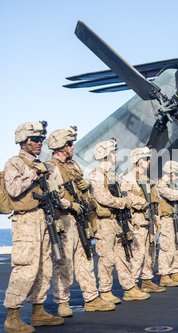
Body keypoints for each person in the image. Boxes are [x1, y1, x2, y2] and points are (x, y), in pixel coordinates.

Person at [45, 127, 115, 317]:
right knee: (64, 263)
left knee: (86, 258)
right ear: (60, 146)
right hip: (64, 219)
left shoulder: (74, 166)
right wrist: (69, 204)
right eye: (69, 144)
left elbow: (82, 190)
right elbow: (51, 196)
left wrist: (86, 186)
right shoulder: (51, 167)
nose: (72, 147)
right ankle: (62, 302)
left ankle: (91, 298)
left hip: (80, 219)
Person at [3, 121, 64, 333]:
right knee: (25, 268)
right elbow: (13, 189)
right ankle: (13, 317)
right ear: (23, 141)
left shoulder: (43, 165)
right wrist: (33, 173)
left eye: (41, 139)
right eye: (35, 139)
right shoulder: (15, 163)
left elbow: (56, 193)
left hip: (44, 218)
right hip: (26, 222)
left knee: (44, 268)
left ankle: (38, 311)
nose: (40, 143)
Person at [88, 139, 150, 304]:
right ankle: (105, 291)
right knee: (107, 259)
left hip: (117, 221)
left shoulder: (114, 175)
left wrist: (140, 203)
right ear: (105, 155)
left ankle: (129, 288)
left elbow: (124, 195)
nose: (116, 155)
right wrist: (124, 203)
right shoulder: (96, 175)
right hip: (104, 222)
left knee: (123, 256)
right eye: (113, 153)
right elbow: (103, 198)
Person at [121, 147, 165, 293]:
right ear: (137, 161)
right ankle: (132, 283)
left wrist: (157, 220)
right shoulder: (128, 178)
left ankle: (146, 280)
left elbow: (154, 202)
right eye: (146, 159)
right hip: (137, 219)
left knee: (150, 251)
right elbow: (126, 196)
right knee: (137, 252)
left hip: (150, 219)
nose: (149, 161)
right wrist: (143, 204)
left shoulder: (147, 180)